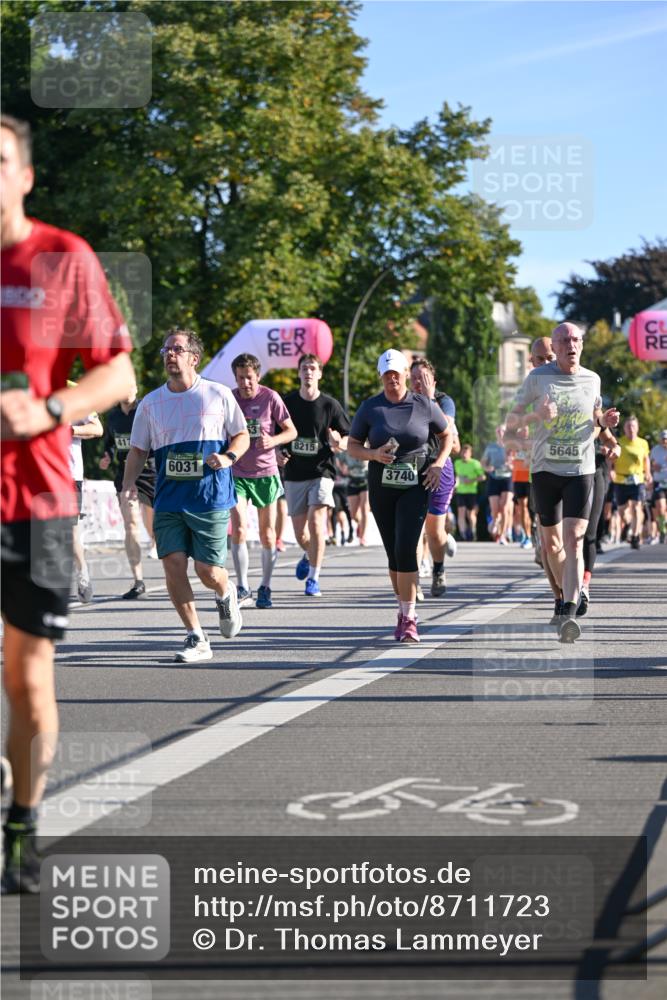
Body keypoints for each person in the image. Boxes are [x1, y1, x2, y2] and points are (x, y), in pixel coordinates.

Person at [1, 114, 135, 893]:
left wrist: (50, 409)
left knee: (27, 681)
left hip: (38, 500)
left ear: (25, 176)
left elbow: (116, 374)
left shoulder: (62, 257)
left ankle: (22, 823)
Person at [122, 329, 249, 662]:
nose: (169, 354)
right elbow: (138, 450)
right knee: (173, 565)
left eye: (177, 349)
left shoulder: (218, 394)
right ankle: (196, 636)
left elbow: (242, 435)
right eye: (166, 349)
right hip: (168, 499)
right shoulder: (151, 403)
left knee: (208, 571)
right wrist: (128, 484)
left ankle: (226, 591)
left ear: (194, 357)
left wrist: (228, 457)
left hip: (209, 496)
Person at [507, 322, 619, 642]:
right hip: (545, 471)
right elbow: (511, 422)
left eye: (576, 340)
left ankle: (569, 610)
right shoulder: (537, 378)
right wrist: (537, 416)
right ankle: (561, 597)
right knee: (551, 545)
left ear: (581, 344)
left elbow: (594, 416)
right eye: (564, 340)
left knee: (574, 539)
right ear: (554, 347)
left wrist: (604, 421)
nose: (571, 345)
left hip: (580, 470)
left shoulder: (592, 379)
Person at [347, 349, 453, 643]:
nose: (392, 378)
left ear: (406, 374)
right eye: (387, 374)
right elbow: (352, 446)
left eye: (396, 373)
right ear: (380, 376)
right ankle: (402, 608)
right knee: (393, 553)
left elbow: (446, 436)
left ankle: (409, 618)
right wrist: (373, 454)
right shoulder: (370, 407)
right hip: (381, 485)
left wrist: (438, 464)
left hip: (416, 483)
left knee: (407, 547)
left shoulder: (424, 404)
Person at [229, 352, 296, 609]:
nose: (245, 383)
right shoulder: (230, 399)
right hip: (237, 473)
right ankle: (242, 586)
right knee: (239, 529)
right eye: (240, 378)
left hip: (266, 473)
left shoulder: (270, 397)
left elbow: (291, 431)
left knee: (268, 534)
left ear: (257, 376)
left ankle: (265, 586)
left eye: (249, 377)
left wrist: (274, 441)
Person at [281, 354, 350, 597]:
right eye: (304, 368)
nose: (308, 372)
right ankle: (308, 553)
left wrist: (338, 442)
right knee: (301, 533)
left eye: (312, 368)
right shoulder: (287, 403)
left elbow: (348, 437)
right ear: (299, 373)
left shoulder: (330, 405)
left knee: (317, 523)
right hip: (294, 473)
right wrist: (279, 452)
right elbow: (276, 433)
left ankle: (314, 577)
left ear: (319, 373)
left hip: (322, 471)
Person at [99, 383, 157, 599]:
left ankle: (158, 544)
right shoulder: (113, 416)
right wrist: (107, 455)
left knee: (154, 525)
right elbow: (110, 442)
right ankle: (138, 581)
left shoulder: (146, 409)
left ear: (135, 388)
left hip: (150, 473)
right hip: (124, 476)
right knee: (131, 525)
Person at [409, 357, 460, 597]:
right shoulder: (405, 401)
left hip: (440, 466)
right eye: (414, 379)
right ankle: (414, 581)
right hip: (413, 468)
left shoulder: (444, 401)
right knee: (414, 530)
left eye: (423, 378)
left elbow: (446, 428)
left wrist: (429, 399)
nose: (418, 383)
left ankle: (438, 568)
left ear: (433, 381)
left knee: (434, 531)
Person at [68, 390, 103, 603]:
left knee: (69, 534)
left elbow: (97, 428)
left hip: (68, 475)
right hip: (33, 475)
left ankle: (82, 572)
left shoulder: (74, 391)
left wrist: (69, 430)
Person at [613, 415, 652, 550]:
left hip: (637, 480)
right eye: (628, 426)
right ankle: (628, 524)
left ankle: (635, 537)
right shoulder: (619, 442)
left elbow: (646, 459)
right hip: (620, 480)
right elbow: (612, 458)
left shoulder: (643, 443)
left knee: (636, 507)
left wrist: (648, 473)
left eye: (633, 426)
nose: (631, 428)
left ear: (637, 428)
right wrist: (611, 470)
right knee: (622, 511)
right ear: (624, 428)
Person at [482, 425, 513, 543]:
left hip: (507, 478)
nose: (500, 432)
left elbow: (517, 462)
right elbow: (483, 462)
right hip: (494, 478)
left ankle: (502, 535)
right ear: (496, 432)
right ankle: (495, 520)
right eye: (498, 430)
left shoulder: (511, 446)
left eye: (503, 430)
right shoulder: (491, 447)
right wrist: (487, 468)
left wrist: (511, 465)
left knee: (504, 508)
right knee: (495, 510)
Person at [454, 444, 485, 540]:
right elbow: (457, 476)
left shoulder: (475, 463)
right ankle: (463, 534)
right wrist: (455, 485)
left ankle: (473, 531)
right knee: (461, 513)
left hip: (471, 492)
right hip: (460, 492)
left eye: (466, 453)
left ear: (470, 454)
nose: (464, 454)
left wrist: (471, 480)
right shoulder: (457, 463)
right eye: (463, 452)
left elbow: (483, 477)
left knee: (471, 514)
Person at [649, 429, 667, 544]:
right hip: (659, 482)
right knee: (660, 508)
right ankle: (662, 531)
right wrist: (653, 467)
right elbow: (649, 464)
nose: (665, 441)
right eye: (663, 439)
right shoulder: (655, 450)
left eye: (666, 439)